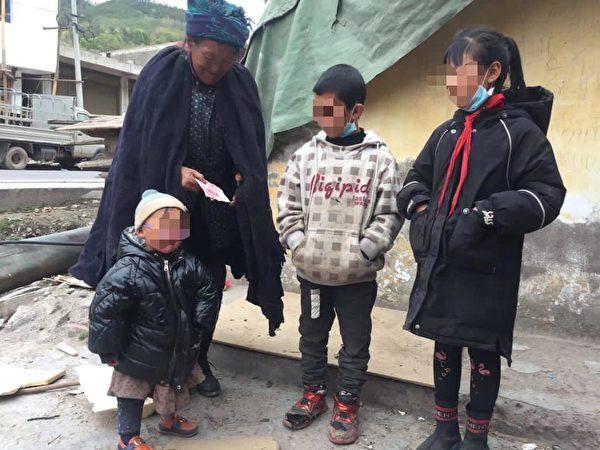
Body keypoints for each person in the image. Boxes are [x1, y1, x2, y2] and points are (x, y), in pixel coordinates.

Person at [71, 0, 285, 398]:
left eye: (227, 60)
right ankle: (152, 368)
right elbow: (142, 146)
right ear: (189, 42)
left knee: (205, 286)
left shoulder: (239, 82)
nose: (216, 69)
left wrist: (244, 175)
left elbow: (249, 143)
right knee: (159, 287)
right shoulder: (162, 72)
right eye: (208, 59)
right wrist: (176, 173)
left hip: (213, 210)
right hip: (165, 205)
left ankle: (197, 361)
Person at [397, 27, 566, 450]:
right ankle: (444, 431)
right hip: (442, 263)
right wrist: (420, 211)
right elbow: (416, 179)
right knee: (444, 345)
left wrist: (487, 214)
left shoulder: (519, 134)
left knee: (482, 353)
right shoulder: (446, 133)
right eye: (447, 72)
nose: (451, 81)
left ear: (492, 72)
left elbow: (547, 195)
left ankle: (476, 438)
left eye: (460, 70)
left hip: (487, 272)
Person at [277, 64, 403, 445]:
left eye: (330, 110)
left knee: (355, 343)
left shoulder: (379, 158)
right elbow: (287, 206)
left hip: (356, 279)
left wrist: (365, 252)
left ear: (355, 111)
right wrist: (300, 244)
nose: (322, 118)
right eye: (317, 110)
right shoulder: (305, 156)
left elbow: (389, 213)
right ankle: (313, 393)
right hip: (312, 275)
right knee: (311, 336)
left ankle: (347, 403)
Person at [88, 190, 219, 450]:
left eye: (177, 229)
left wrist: (201, 321)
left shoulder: (187, 262)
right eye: (162, 229)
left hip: (175, 347)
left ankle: (168, 420)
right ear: (140, 232)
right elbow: (105, 312)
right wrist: (107, 349)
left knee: (172, 386)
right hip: (137, 351)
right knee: (131, 394)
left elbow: (208, 288)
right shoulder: (127, 271)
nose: (170, 236)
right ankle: (127, 437)